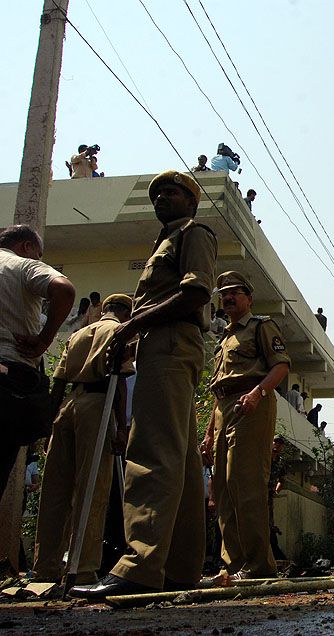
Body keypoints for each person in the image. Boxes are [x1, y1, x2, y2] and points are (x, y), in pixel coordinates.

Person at [71, 170, 217, 599]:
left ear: (191, 201)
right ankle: (179, 569)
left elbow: (196, 293)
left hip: (169, 341)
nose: (161, 199)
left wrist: (132, 325)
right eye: (156, 194)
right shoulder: (165, 240)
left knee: (151, 451)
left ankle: (139, 565)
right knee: (181, 459)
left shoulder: (192, 233)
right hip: (164, 342)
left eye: (171, 192)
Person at [32, 294, 134, 587]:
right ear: (126, 314)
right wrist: (122, 427)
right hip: (97, 405)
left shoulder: (78, 334)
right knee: (93, 487)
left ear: (104, 310)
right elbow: (119, 380)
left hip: (68, 406)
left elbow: (58, 382)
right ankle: (83, 568)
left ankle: (45, 567)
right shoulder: (119, 331)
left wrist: (49, 426)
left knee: (55, 490)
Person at [198, 271, 290, 579]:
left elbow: (281, 365)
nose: (228, 297)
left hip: (252, 403)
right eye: (224, 294)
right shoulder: (223, 339)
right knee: (223, 489)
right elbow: (218, 388)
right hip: (224, 407)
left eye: (234, 292)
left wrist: (258, 393)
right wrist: (209, 433)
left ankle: (258, 566)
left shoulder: (261, 327)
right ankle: (234, 565)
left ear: (249, 298)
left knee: (245, 483)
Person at [0, 225, 76, 496]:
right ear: (26, 247)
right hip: (8, 378)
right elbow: (64, 289)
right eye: (39, 254)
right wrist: (44, 339)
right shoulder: (21, 265)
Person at [267, 436, 288, 561]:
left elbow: (282, 480)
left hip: (269, 495)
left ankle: (274, 553)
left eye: (280, 443)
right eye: (275, 442)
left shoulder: (280, 462)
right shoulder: (263, 456)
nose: (277, 445)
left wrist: (276, 490)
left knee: (269, 523)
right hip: (256, 492)